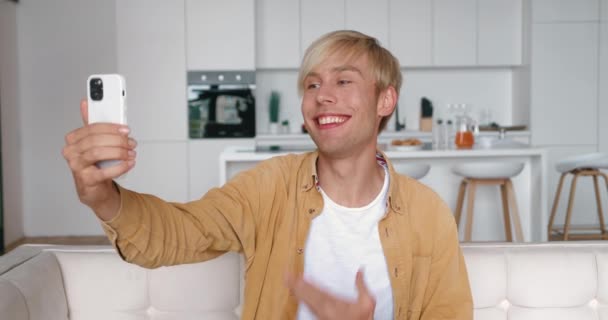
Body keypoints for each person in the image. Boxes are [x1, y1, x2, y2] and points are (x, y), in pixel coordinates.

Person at [63, 30, 473, 320]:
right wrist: (101, 194)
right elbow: (179, 233)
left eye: (344, 80)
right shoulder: (268, 187)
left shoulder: (427, 214)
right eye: (311, 85)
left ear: (386, 99)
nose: (321, 95)